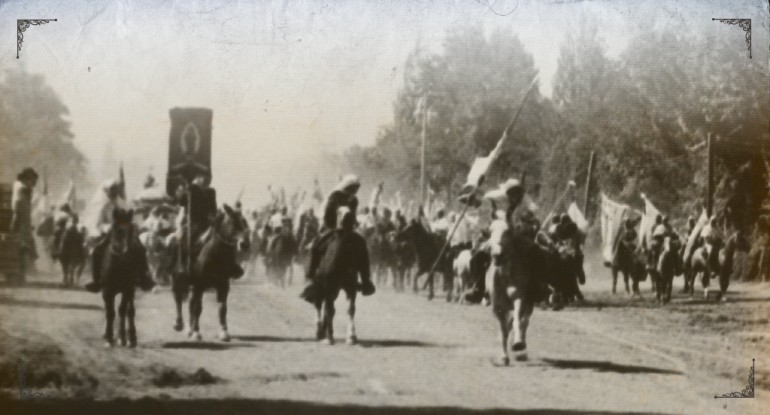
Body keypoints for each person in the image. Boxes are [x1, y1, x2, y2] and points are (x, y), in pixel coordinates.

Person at [306, 175, 361, 281]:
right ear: (347, 186)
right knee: (316, 245)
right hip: (331, 225)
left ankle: (362, 277)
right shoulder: (335, 196)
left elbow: (353, 215)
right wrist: (334, 226)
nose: (355, 190)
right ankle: (312, 271)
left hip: (348, 228)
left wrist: (355, 223)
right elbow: (328, 213)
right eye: (353, 187)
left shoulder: (354, 200)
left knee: (361, 245)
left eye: (356, 188)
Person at [11, 168, 40, 268]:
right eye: (33, 180)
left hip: (23, 220)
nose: (34, 183)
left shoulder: (20, 186)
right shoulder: (23, 188)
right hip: (21, 221)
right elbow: (18, 207)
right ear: (28, 178)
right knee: (24, 245)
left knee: (25, 245)